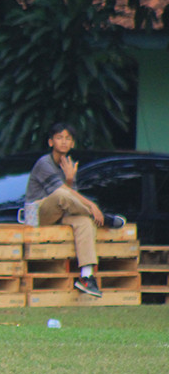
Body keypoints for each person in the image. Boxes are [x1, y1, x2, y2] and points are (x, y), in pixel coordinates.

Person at [24, 122, 125, 297]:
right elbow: (63, 194)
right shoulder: (44, 163)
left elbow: (72, 200)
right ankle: (106, 219)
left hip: (60, 212)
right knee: (61, 195)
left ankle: (86, 277)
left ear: (73, 144)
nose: (63, 142)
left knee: (85, 221)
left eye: (68, 138)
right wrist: (92, 206)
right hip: (37, 214)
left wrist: (70, 179)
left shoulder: (67, 164)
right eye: (59, 138)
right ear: (50, 142)